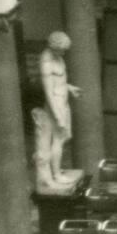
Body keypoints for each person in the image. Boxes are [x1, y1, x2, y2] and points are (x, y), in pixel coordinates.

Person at [32, 31, 81, 188]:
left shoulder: (57, 57)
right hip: (55, 105)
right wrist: (57, 115)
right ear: (54, 47)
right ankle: (56, 175)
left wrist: (70, 88)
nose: (64, 52)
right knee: (58, 140)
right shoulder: (46, 62)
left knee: (63, 138)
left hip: (63, 101)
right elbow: (49, 92)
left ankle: (56, 170)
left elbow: (60, 82)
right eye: (62, 49)